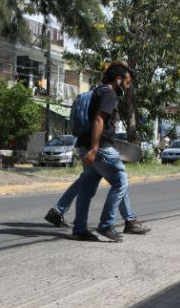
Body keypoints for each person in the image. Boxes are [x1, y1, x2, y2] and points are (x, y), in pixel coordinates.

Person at [51, 61, 149, 242]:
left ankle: (79, 229)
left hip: (83, 145)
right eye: (126, 83)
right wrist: (95, 148)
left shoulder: (97, 91)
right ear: (118, 80)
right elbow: (98, 120)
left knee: (87, 188)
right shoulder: (108, 93)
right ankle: (106, 225)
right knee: (121, 181)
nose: (127, 88)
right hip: (100, 148)